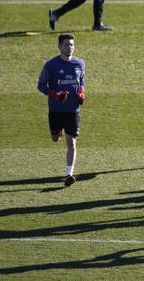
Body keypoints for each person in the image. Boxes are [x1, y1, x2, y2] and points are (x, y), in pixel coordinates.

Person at [37, 33, 86, 187]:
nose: (69, 47)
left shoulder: (80, 63)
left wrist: (81, 94)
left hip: (73, 110)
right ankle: (59, 131)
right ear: (59, 47)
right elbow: (41, 85)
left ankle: (69, 174)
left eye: (71, 44)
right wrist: (54, 94)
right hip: (56, 110)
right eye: (66, 45)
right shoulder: (51, 65)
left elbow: (82, 82)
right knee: (55, 138)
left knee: (72, 143)